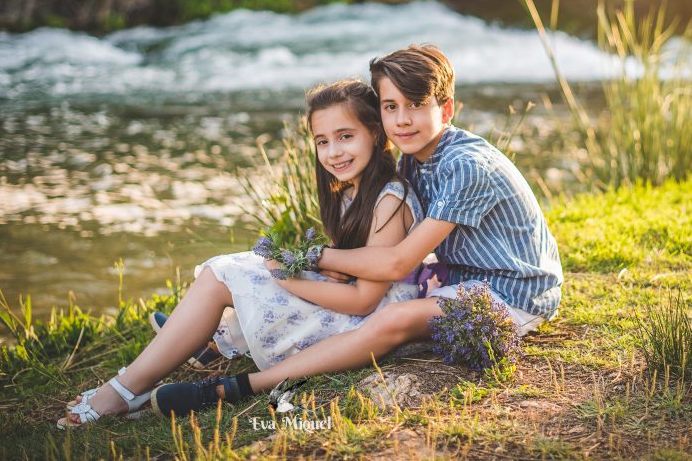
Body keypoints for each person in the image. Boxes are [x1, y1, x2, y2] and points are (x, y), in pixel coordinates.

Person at [152, 43, 564, 416]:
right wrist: (325, 262)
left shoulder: (466, 166)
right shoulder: (413, 159)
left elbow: (398, 260)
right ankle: (222, 334)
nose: (401, 121)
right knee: (335, 279)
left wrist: (310, 255)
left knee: (392, 319)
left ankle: (237, 387)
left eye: (415, 105)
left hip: (514, 293)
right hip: (459, 277)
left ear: (447, 109)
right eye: (389, 107)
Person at [57, 79, 428, 427]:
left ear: (376, 134)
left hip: (363, 324)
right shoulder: (352, 191)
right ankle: (151, 371)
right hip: (353, 307)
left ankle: (125, 389)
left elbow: (364, 301)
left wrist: (284, 276)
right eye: (322, 141)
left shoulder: (389, 200)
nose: (333, 152)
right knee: (226, 272)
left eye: (345, 136)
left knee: (225, 274)